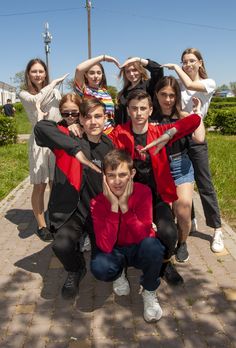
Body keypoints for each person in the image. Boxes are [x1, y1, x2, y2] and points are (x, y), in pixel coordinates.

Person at [109, 90, 201, 285]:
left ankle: (165, 264)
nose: (139, 113)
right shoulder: (119, 133)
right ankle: (122, 268)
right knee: (120, 233)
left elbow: (193, 121)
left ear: (151, 110)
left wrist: (168, 135)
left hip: (157, 198)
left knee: (168, 233)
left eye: (143, 108)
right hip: (129, 198)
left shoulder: (159, 131)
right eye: (134, 108)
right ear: (128, 110)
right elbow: (95, 136)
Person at [34, 98, 114, 299]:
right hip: (73, 213)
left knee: (104, 270)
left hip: (98, 215)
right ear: (81, 120)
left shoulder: (110, 146)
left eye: (98, 117)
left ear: (106, 118)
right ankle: (76, 268)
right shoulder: (69, 138)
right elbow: (40, 128)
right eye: (87, 117)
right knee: (61, 245)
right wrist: (75, 149)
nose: (93, 122)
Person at [90, 149, 165, 323]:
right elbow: (105, 245)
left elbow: (143, 235)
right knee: (100, 267)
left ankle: (149, 290)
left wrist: (125, 206)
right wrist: (114, 208)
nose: (117, 181)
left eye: (122, 175)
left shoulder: (143, 192)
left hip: (138, 247)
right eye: (111, 175)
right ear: (104, 177)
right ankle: (118, 274)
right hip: (115, 250)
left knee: (153, 247)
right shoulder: (98, 202)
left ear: (132, 174)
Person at [163, 48, 224, 253]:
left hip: (197, 136)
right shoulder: (178, 84)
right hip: (180, 136)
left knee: (204, 182)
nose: (187, 65)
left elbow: (190, 85)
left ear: (200, 62)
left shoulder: (209, 83)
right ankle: (192, 219)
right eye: (183, 62)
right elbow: (177, 109)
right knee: (183, 180)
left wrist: (173, 68)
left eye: (191, 61)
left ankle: (217, 230)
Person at [151, 76, 205, 262]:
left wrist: (197, 115)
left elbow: (199, 138)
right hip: (159, 168)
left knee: (182, 210)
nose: (168, 99)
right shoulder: (150, 118)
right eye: (163, 94)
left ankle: (182, 243)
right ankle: (167, 244)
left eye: (172, 95)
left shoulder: (183, 117)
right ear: (156, 95)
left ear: (177, 97)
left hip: (180, 165)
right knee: (165, 215)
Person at [19, 58, 67, 241]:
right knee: (39, 184)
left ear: (45, 73)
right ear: (28, 74)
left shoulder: (55, 92)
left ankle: (55, 219)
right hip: (39, 142)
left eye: (41, 71)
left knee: (55, 183)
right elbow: (36, 100)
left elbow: (64, 111)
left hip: (56, 141)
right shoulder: (24, 94)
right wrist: (53, 83)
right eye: (34, 71)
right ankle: (41, 225)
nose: (38, 75)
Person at [74, 54, 120, 134]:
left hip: (110, 134)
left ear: (102, 75)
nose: (96, 76)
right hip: (93, 134)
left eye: (99, 73)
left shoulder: (105, 91)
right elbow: (79, 69)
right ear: (86, 75)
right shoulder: (84, 90)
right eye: (92, 73)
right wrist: (103, 58)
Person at [115, 57, 163, 125]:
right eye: (128, 71)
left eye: (134, 70)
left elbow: (158, 69)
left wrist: (138, 60)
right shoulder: (122, 94)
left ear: (140, 70)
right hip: (126, 132)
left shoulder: (149, 85)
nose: (131, 74)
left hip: (146, 130)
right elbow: (119, 118)